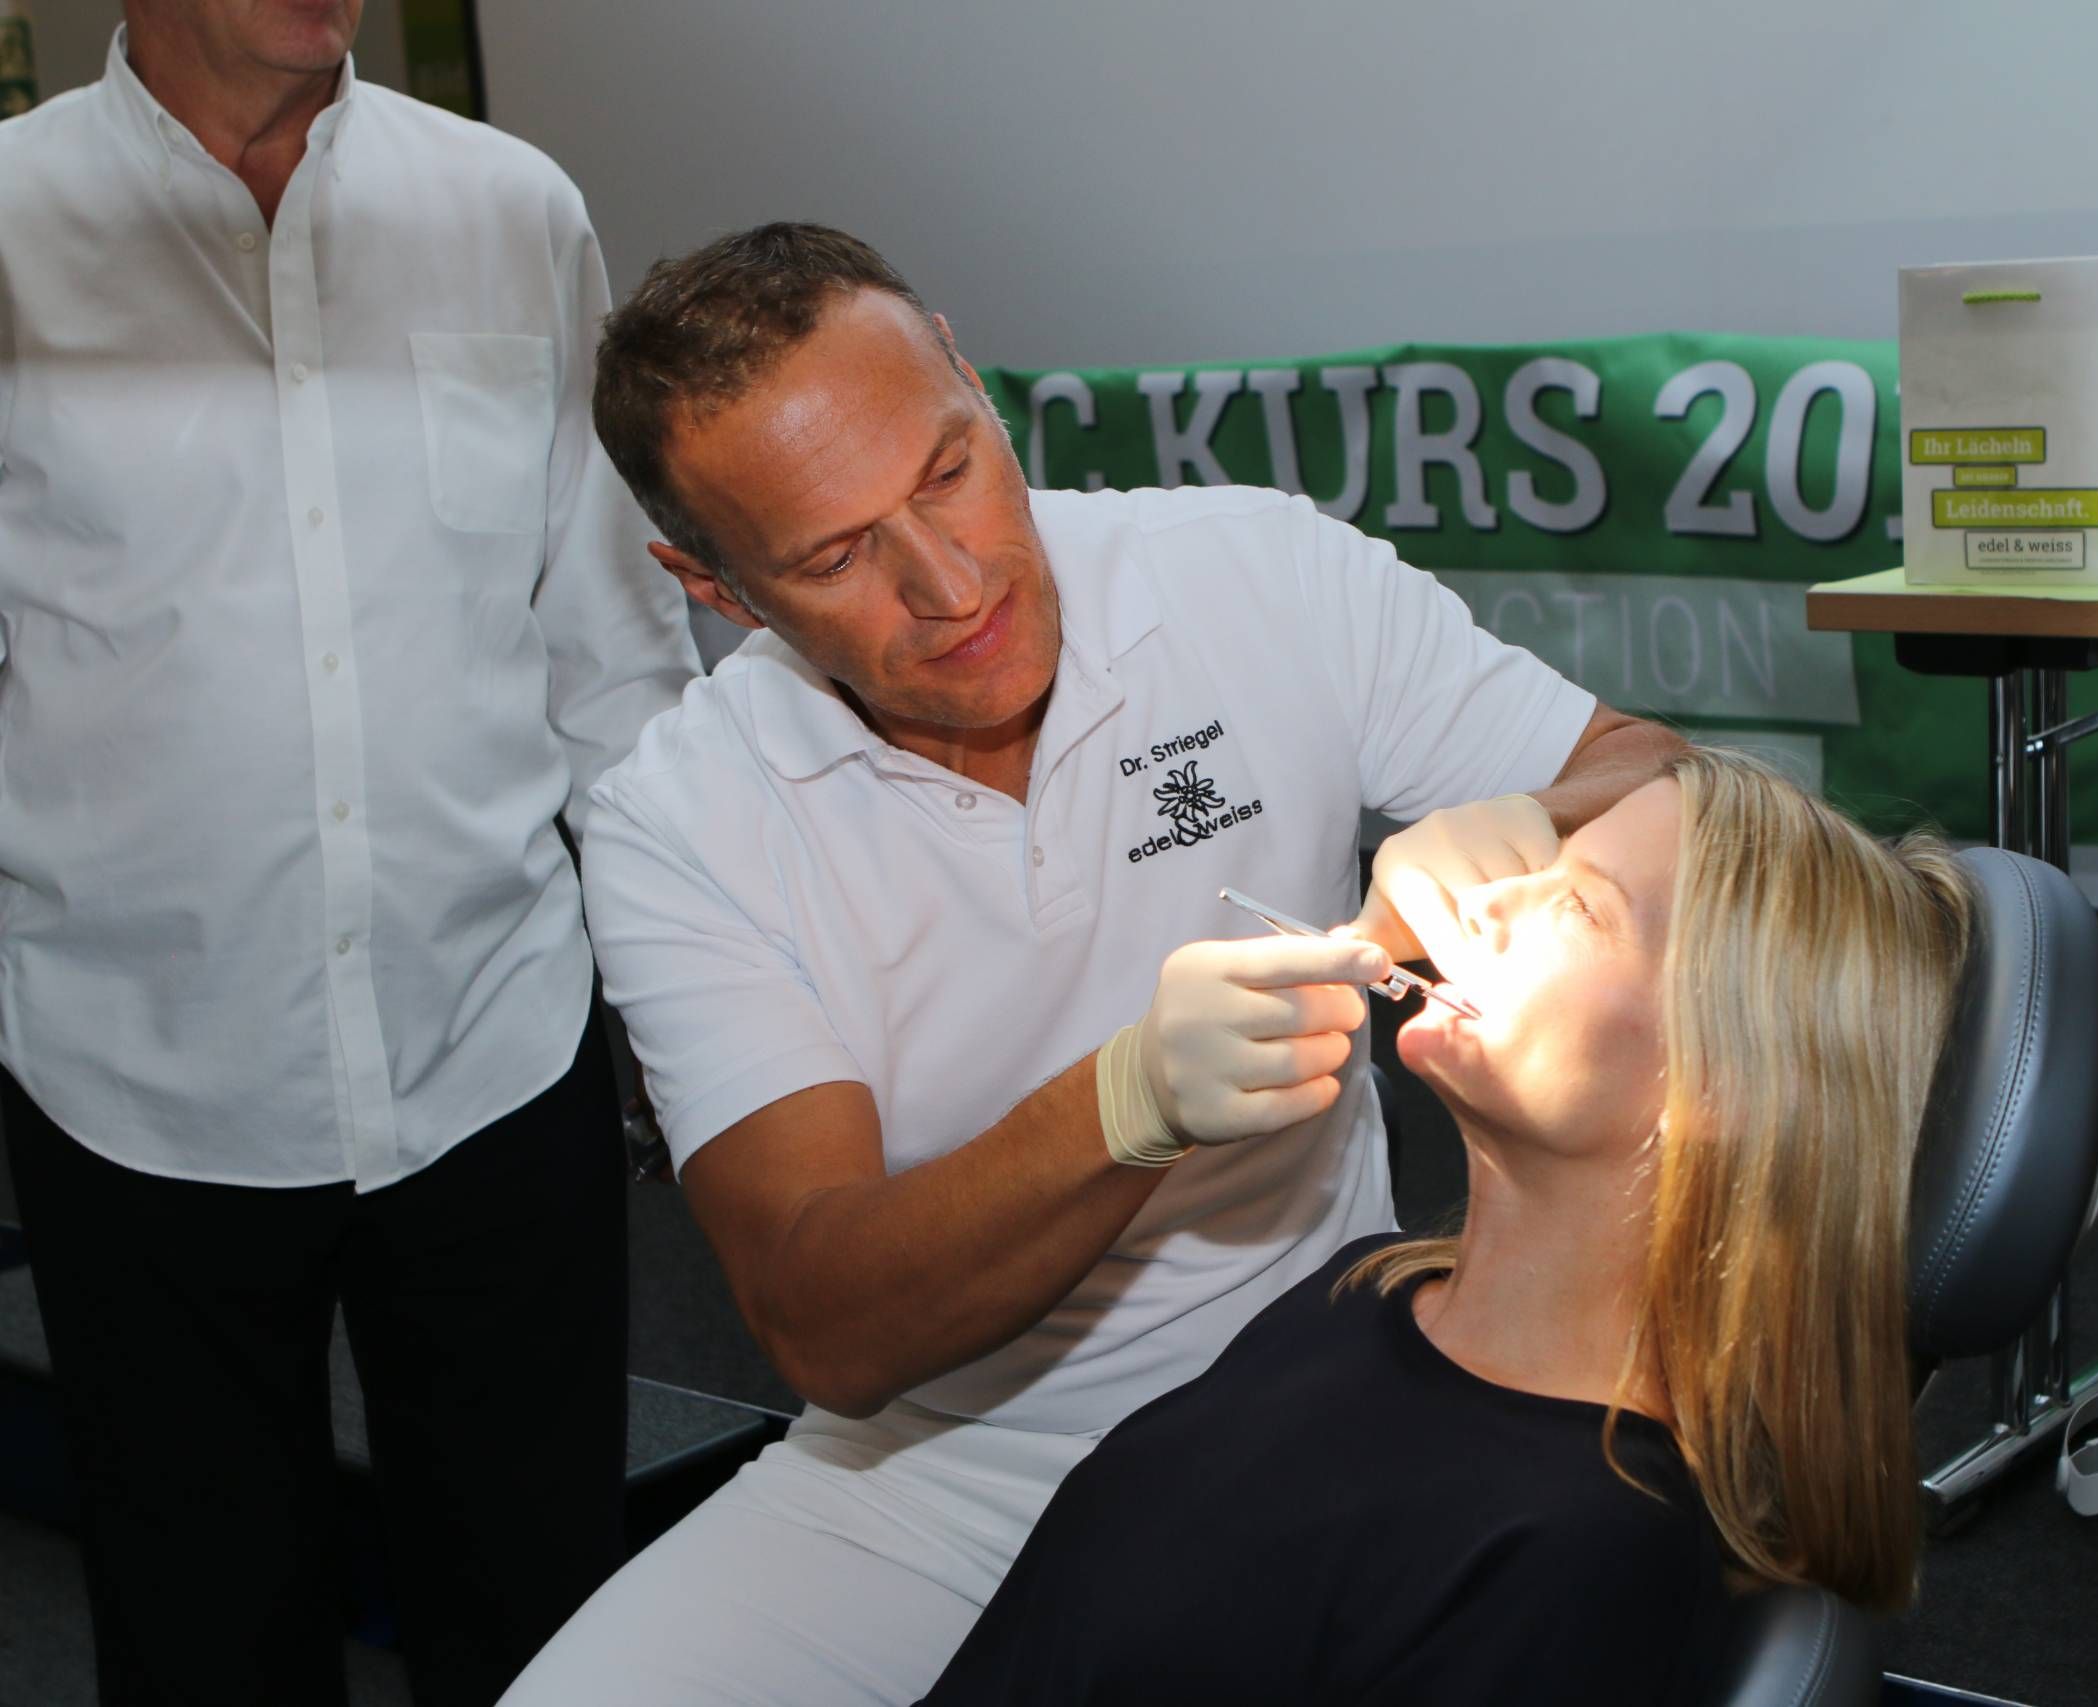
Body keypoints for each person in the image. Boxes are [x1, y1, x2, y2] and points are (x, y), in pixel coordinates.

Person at [499, 222, 1688, 1703]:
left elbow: (1664, 773)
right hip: (937, 1463)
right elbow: (825, 1319)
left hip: (1319, 1381)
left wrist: (1534, 818)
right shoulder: (681, 819)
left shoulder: (1253, 573)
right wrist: (1125, 1105)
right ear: (718, 586)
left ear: (967, 374)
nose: (949, 583)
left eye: (948, 471)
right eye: (837, 555)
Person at [0, 5, 698, 1702]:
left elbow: (611, 654)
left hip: (494, 1046)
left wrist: (693, 1009)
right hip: (134, 1075)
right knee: (202, 1635)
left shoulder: (513, 206)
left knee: (545, 1626)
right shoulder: (12, 225)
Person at [919, 746, 1976, 1703]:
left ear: (1725, 1084)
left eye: (1577, 906)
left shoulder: (1577, 1561)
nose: (1480, 902)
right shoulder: (1367, 1288)